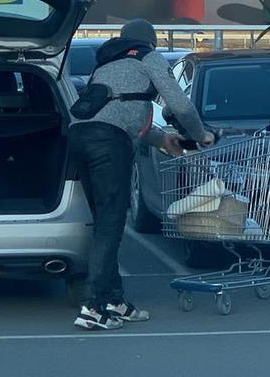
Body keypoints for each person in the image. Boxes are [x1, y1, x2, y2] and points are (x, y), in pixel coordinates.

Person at [69, 18, 213, 330]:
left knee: (104, 222)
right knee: (110, 224)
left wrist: (161, 139)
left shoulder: (105, 65)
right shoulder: (149, 57)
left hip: (79, 138)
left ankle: (114, 300)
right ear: (151, 41)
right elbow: (180, 106)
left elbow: (120, 110)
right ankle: (93, 306)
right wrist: (200, 135)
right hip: (109, 144)